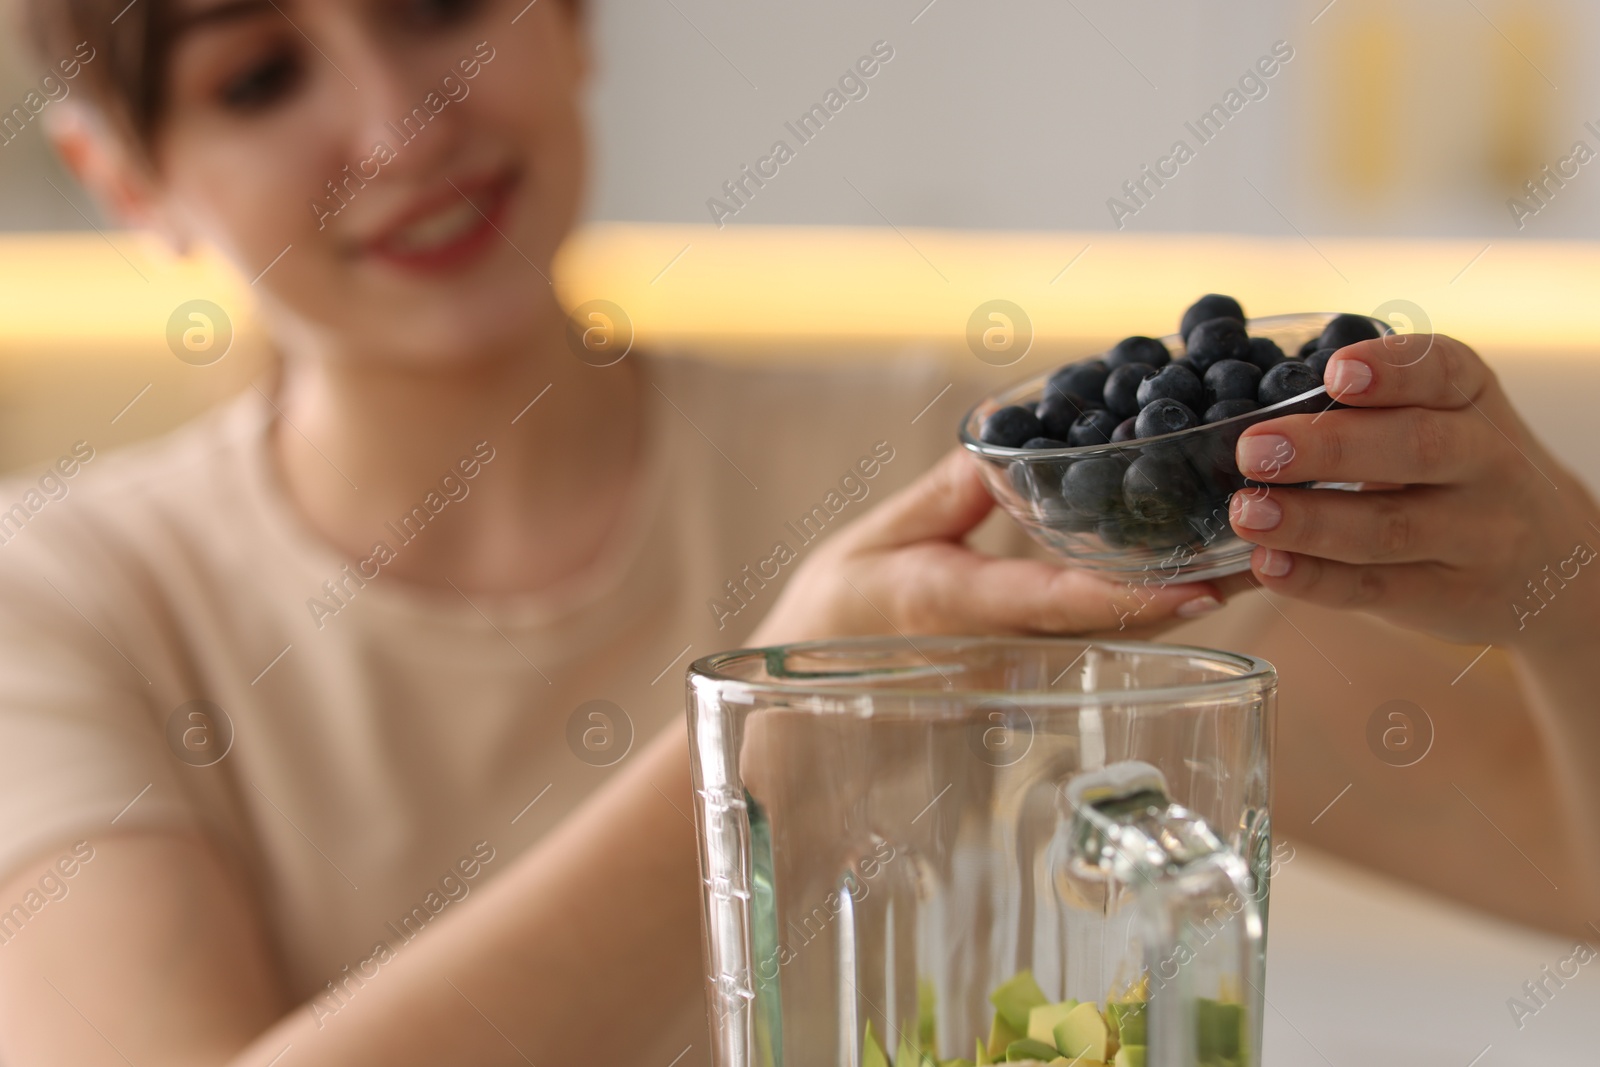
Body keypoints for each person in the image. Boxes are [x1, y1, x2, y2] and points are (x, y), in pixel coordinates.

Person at [0, 0, 1595, 1064]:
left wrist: (1556, 578)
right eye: (256, 75)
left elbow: (1565, 872)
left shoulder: (967, 483)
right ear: (125, 176)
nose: (406, 120)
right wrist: (778, 728)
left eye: (438, 2)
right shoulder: (61, 600)